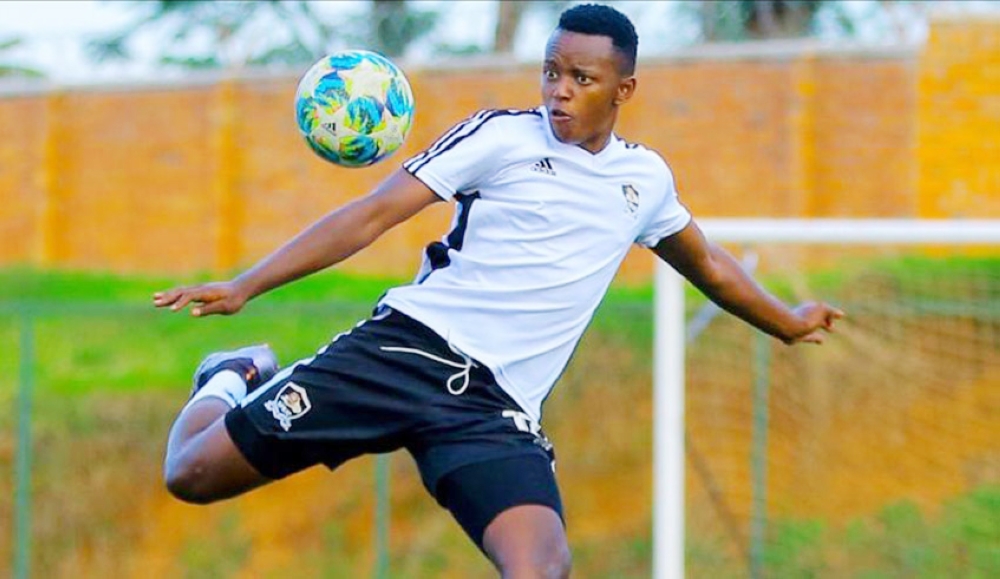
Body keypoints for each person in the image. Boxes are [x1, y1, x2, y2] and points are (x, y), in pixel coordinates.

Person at [153, 4, 844, 577]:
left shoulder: (645, 181)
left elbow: (712, 265)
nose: (559, 90)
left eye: (581, 77)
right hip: (404, 352)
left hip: (492, 409)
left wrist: (786, 322)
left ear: (622, 91)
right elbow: (368, 215)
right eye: (550, 72)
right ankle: (231, 374)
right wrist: (246, 285)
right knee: (191, 474)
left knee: (543, 567)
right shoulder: (499, 137)